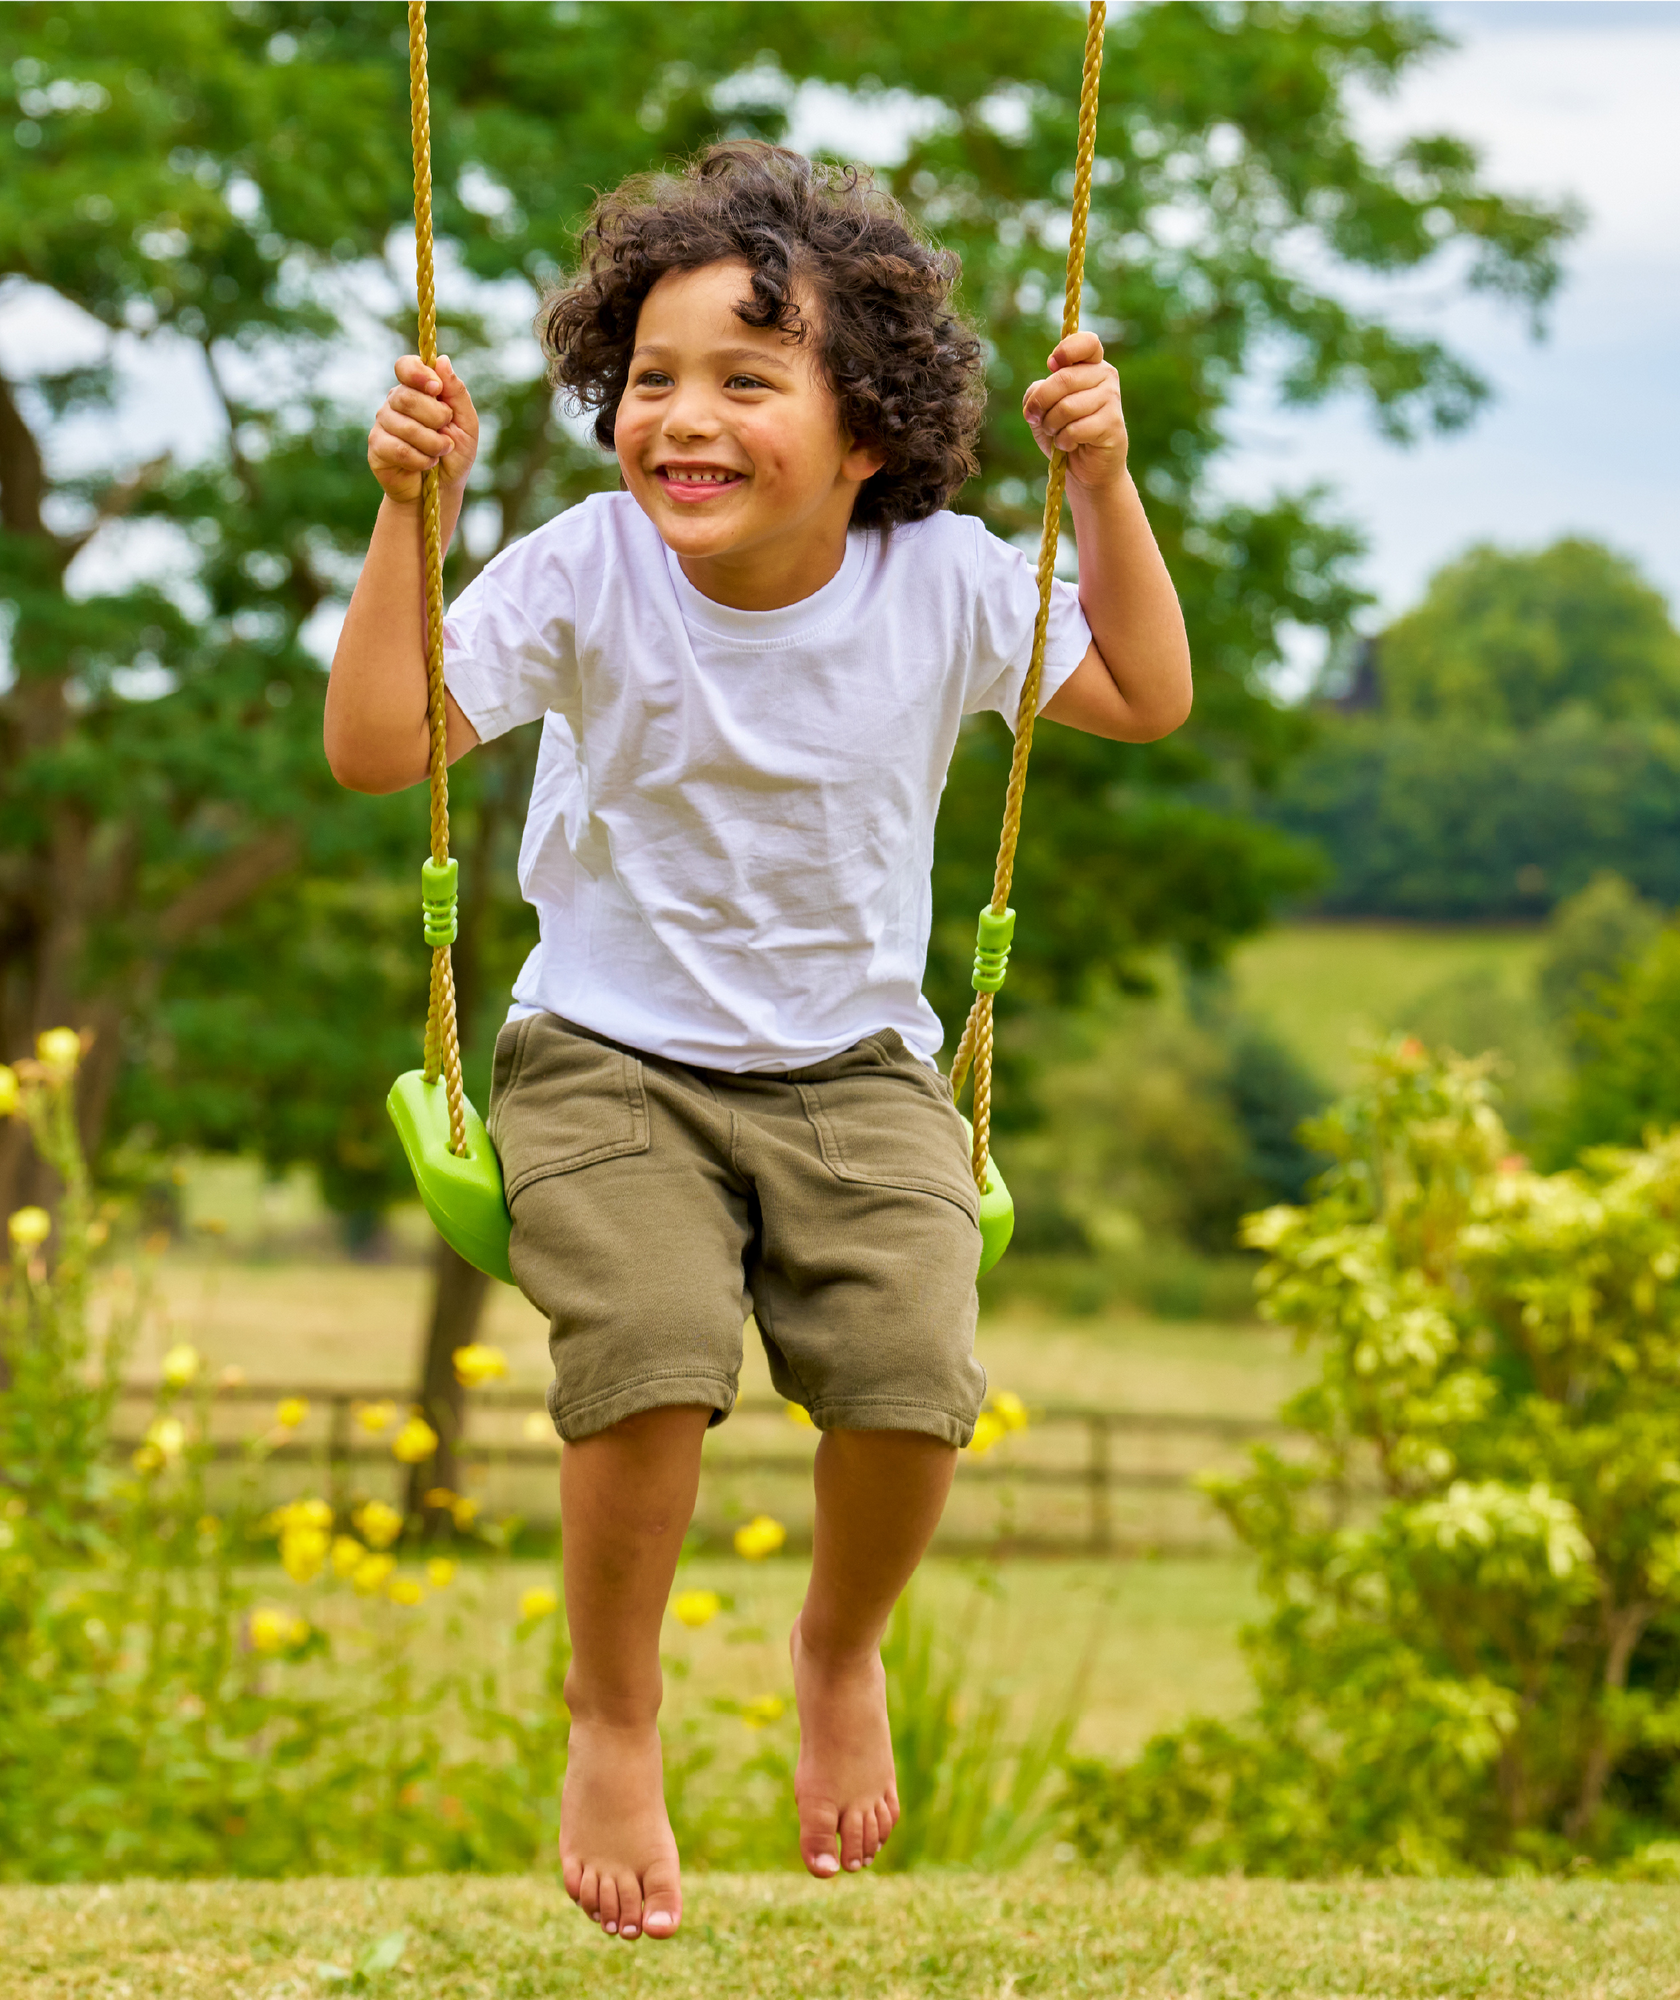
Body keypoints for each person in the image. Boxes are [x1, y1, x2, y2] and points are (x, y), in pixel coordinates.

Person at [326, 142, 1190, 1942]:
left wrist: (1097, 484)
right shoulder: (587, 571)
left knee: (911, 1366)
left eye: (742, 379)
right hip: (606, 1053)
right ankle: (615, 1717)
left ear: (865, 428)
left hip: (857, 1062)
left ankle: (836, 1649)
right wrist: (408, 515)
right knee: (645, 1345)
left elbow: (1143, 692)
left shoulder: (946, 580)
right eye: (650, 379)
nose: (681, 420)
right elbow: (377, 742)